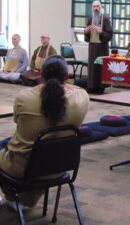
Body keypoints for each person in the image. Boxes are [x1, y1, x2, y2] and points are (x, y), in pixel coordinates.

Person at [0, 55, 89, 210]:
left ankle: (16, 197)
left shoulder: (24, 97)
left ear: (41, 75)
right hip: (59, 167)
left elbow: (17, 122)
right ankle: (22, 200)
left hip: (23, 168)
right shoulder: (82, 97)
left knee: (9, 146)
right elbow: (76, 89)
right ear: (67, 76)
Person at [84, 0, 113, 93]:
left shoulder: (105, 19)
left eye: (97, 6)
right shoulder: (90, 19)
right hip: (92, 47)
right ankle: (91, 87)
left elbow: (109, 34)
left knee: (100, 67)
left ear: (101, 7)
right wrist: (86, 32)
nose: (96, 8)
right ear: (92, 8)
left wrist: (101, 32)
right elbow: (87, 36)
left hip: (101, 48)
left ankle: (100, 87)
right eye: (94, 6)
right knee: (92, 67)